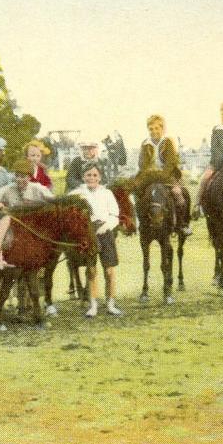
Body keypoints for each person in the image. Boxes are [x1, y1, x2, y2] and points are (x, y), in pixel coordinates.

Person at [68, 162, 123, 317]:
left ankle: (111, 304)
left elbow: (114, 215)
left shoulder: (107, 193)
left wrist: (105, 227)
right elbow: (70, 214)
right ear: (83, 177)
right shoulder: (77, 194)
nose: (91, 178)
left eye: (94, 175)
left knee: (109, 270)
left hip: (105, 232)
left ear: (99, 177)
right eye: (88, 175)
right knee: (91, 270)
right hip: (87, 234)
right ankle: (93, 305)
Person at [131, 114, 192, 235]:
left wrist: (161, 175)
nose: (154, 131)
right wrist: (148, 174)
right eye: (151, 129)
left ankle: (181, 224)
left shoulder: (167, 142)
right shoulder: (145, 144)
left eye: (156, 128)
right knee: (135, 191)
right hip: (149, 177)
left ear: (162, 129)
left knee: (179, 192)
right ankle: (141, 222)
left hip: (166, 175)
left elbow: (171, 162)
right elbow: (142, 164)